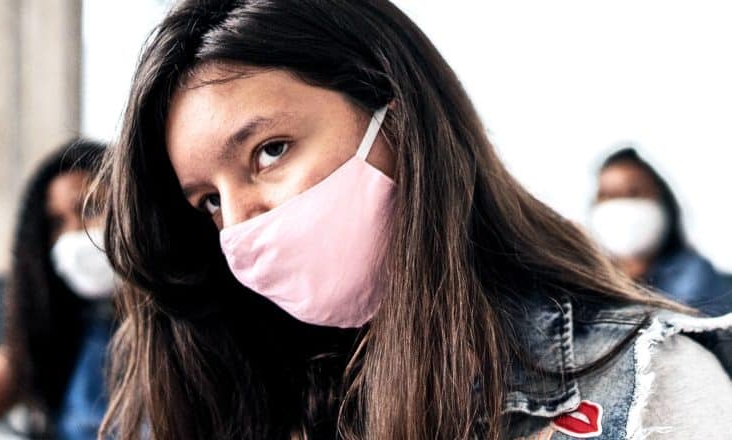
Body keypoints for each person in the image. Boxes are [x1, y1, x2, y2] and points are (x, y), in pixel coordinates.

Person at [96, 1, 732, 439]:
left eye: (270, 151)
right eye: (208, 200)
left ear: (396, 119)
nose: (239, 222)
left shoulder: (641, 383)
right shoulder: (240, 389)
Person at [0, 140, 115, 439]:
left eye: (90, 208)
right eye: (57, 223)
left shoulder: (178, 327)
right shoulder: (54, 328)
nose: (73, 232)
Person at [590, 147, 732, 316]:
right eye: (606, 195)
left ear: (663, 204)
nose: (619, 205)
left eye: (633, 193)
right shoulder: (587, 278)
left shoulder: (695, 275)